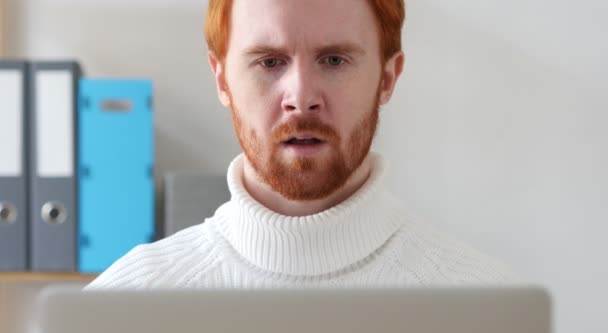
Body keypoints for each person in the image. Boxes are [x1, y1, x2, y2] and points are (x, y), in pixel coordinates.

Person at [86, 0, 518, 289]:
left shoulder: (487, 304)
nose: (301, 96)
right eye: (270, 62)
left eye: (334, 60)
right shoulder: (126, 303)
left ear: (387, 78)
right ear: (221, 79)